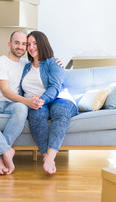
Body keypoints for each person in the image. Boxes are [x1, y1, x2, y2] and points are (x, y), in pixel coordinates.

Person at [0, 31, 63, 175]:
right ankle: (6, 150)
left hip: (13, 104)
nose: (20, 47)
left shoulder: (26, 64)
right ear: (10, 44)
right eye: (17, 43)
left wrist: (55, 61)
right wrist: (27, 101)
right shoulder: (0, 62)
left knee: (22, 109)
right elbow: (5, 91)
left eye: (24, 44)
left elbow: (42, 64)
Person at [20, 31, 77, 175]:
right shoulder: (25, 67)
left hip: (59, 98)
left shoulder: (53, 62)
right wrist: (29, 101)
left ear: (42, 44)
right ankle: (45, 156)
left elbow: (55, 87)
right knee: (37, 114)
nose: (31, 47)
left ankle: (51, 157)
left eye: (35, 43)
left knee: (60, 112)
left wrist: (42, 99)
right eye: (28, 44)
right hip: (37, 101)